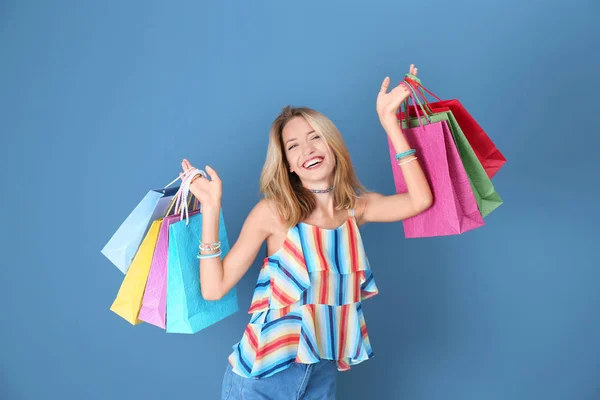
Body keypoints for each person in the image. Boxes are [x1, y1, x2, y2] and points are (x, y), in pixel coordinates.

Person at [181, 64, 432, 400]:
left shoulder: (356, 210)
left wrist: (390, 123)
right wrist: (211, 210)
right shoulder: (273, 213)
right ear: (287, 163)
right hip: (262, 376)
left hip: (321, 371)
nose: (308, 149)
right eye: (293, 146)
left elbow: (420, 199)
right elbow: (214, 289)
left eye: (315, 137)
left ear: (332, 146)